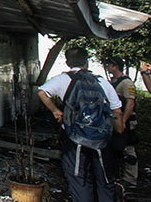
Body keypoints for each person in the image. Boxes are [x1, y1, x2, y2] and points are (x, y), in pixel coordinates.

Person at [38, 47, 123, 202]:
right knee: (105, 181)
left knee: (79, 180)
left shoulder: (63, 79)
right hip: (101, 141)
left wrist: (55, 111)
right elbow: (117, 111)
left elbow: (42, 92)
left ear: (67, 62)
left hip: (74, 139)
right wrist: (119, 133)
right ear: (87, 61)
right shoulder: (101, 81)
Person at [103, 56, 137, 189]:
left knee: (128, 147)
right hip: (115, 119)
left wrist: (124, 121)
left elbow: (130, 103)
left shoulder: (126, 83)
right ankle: (116, 175)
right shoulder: (114, 82)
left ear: (115, 66)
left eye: (110, 65)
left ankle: (130, 178)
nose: (108, 67)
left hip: (126, 121)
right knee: (116, 146)